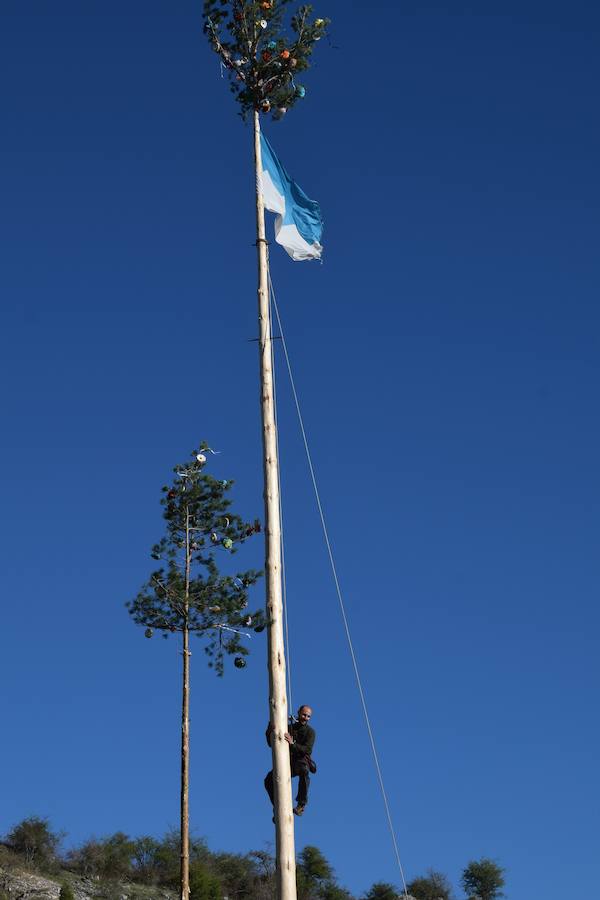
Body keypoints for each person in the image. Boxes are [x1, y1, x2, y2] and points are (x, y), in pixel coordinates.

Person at [264, 705, 315, 817]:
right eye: (303, 715)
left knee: (304, 771)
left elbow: (307, 749)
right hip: (287, 762)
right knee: (268, 780)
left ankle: (301, 805)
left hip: (300, 761)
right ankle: (277, 807)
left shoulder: (310, 732)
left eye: (308, 716)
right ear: (298, 713)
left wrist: (293, 744)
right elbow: (271, 744)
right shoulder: (288, 728)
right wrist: (269, 732)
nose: (305, 717)